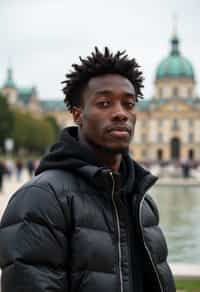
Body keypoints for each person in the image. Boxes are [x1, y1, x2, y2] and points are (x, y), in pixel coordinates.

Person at [0, 47, 175, 292]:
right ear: (77, 114)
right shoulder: (40, 199)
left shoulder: (143, 203)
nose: (120, 114)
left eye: (129, 104)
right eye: (104, 103)